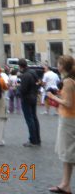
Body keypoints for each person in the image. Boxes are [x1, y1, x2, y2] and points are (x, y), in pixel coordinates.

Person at [46, 55, 75, 194]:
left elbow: (68, 103)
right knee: (67, 154)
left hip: (69, 120)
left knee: (68, 153)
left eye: (58, 63)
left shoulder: (69, 81)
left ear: (63, 66)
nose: (57, 65)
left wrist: (54, 98)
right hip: (69, 118)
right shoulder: (70, 80)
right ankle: (65, 184)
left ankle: (65, 184)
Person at [18, 58, 41, 147]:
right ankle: (37, 138)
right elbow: (38, 83)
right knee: (34, 118)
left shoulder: (25, 75)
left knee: (29, 119)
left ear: (20, 66)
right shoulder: (33, 72)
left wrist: (18, 88)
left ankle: (33, 139)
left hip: (27, 98)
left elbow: (23, 89)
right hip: (33, 97)